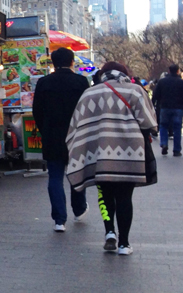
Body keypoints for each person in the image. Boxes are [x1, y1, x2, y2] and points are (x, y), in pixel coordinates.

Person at [67, 62, 158, 255]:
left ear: (102, 74)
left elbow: (75, 126)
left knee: (105, 195)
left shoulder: (89, 94)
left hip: (99, 154)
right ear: (124, 73)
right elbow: (148, 122)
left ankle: (109, 232)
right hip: (130, 153)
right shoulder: (134, 91)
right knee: (125, 197)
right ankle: (124, 244)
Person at [32, 47, 90, 232]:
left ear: (53, 63)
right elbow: (87, 110)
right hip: (77, 135)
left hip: (52, 136)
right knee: (77, 174)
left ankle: (59, 219)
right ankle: (79, 209)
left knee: (55, 177)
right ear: (72, 61)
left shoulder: (44, 82)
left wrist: (45, 130)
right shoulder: (81, 82)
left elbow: (37, 111)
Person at [152, 64, 183, 156]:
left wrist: (157, 103)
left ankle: (164, 143)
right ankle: (176, 150)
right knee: (177, 128)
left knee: (163, 126)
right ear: (178, 71)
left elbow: (156, 95)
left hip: (164, 107)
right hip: (177, 108)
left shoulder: (162, 82)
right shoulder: (181, 82)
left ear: (168, 71)